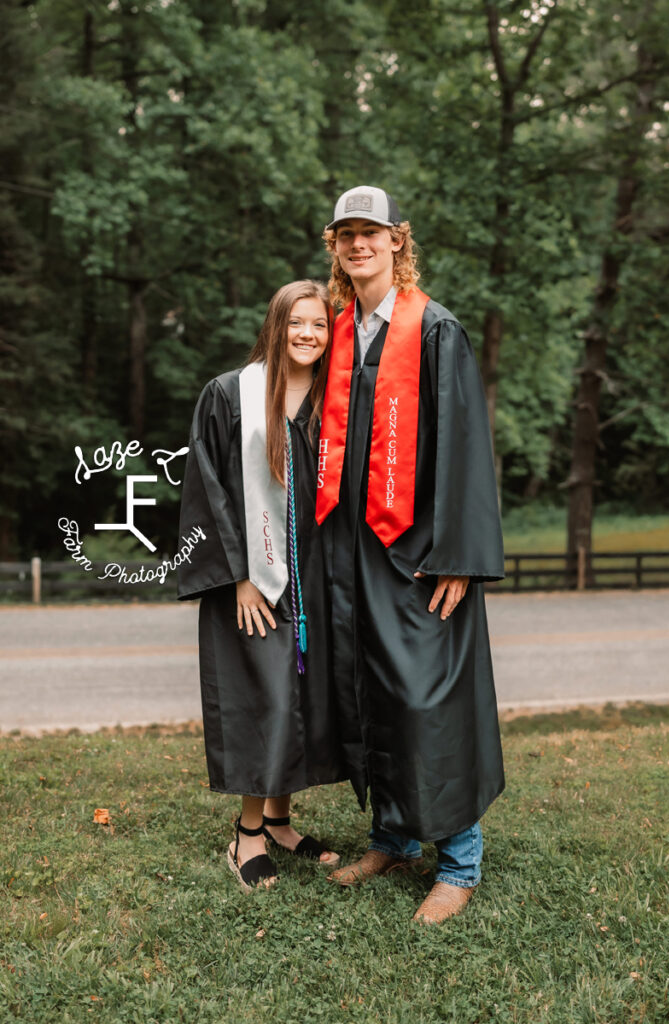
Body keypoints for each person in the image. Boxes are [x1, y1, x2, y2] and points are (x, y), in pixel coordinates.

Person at [316, 186, 505, 924]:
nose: (358, 245)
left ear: (397, 240)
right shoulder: (339, 333)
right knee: (373, 689)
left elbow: (462, 446)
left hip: (419, 550)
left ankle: (459, 860)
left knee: (429, 696)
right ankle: (392, 837)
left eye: (371, 232)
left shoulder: (433, 330)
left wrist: (459, 552)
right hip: (350, 548)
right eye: (345, 235)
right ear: (333, 247)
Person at [177, 279, 346, 891]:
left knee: (302, 698)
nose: (308, 334)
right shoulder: (230, 394)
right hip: (251, 580)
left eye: (320, 324)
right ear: (276, 326)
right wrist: (240, 577)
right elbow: (208, 491)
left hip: (316, 577)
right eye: (297, 322)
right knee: (266, 698)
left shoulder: (335, 398)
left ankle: (279, 820)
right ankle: (246, 835)